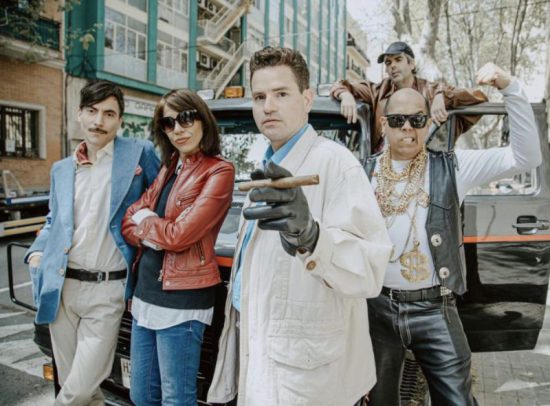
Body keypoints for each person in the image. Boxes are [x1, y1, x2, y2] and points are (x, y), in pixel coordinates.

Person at [207, 47, 392, 406]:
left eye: (281, 94)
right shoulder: (266, 168)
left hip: (311, 375)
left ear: (307, 99)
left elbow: (371, 270)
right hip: (265, 354)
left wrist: (313, 237)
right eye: (259, 97)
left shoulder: (337, 164)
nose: (268, 106)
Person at [363, 63, 542, 406]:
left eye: (417, 119)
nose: (407, 127)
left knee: (457, 400)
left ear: (427, 124)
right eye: (398, 120)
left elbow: (526, 157)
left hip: (435, 307)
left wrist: (511, 88)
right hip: (377, 309)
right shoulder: (361, 173)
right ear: (384, 124)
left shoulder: (452, 166)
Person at [25, 80, 160, 405]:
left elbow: (162, 199)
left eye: (109, 114)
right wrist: (37, 251)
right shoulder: (61, 169)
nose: (99, 121)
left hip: (108, 289)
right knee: (82, 390)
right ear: (80, 114)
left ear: (120, 120)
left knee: (78, 390)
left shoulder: (138, 153)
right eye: (92, 111)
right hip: (62, 287)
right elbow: (54, 221)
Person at [121, 89, 235, 406]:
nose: (178, 129)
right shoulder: (170, 166)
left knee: (176, 399)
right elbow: (129, 219)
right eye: (168, 123)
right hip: (144, 296)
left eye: (185, 118)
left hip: (182, 301)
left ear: (202, 119)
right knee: (141, 395)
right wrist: (153, 226)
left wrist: (148, 223)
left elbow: (179, 236)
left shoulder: (219, 170)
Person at [331, 41, 488, 152]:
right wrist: (346, 95)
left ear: (412, 64)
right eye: (388, 63)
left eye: (398, 60)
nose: (392, 66)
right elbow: (340, 85)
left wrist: (442, 96)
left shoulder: (430, 90)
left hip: (424, 167)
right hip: (382, 167)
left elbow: (478, 97)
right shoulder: (378, 91)